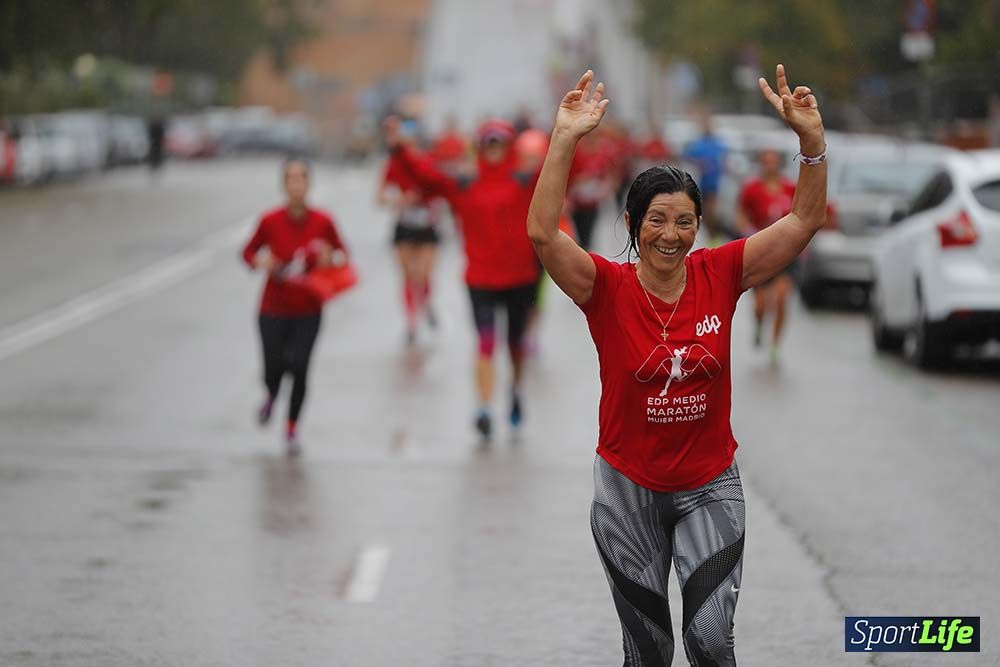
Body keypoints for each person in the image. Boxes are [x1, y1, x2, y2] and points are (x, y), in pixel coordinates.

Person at [526, 66, 826, 666]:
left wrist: (812, 146)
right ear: (634, 225)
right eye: (657, 221)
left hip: (709, 485)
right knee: (650, 652)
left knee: (712, 642)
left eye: (684, 221)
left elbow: (802, 221)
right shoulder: (604, 288)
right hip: (626, 492)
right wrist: (563, 139)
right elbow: (542, 235)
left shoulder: (722, 272)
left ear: (698, 225)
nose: (671, 234)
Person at [383, 116, 540, 441]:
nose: (494, 149)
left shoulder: (526, 180)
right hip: (481, 278)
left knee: (514, 346)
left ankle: (514, 391)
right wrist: (401, 149)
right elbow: (425, 176)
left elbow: (563, 168)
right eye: (489, 143)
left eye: (500, 143)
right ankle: (483, 407)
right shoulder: (464, 184)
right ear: (481, 146)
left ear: (509, 146)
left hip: (520, 278)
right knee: (485, 343)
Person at [241, 158, 349, 457]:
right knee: (273, 366)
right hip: (272, 308)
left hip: (308, 308)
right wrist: (260, 261)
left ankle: (291, 427)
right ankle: (271, 395)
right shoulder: (270, 220)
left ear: (309, 184)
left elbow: (343, 256)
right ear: (284, 186)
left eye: (302, 178)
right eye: (291, 179)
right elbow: (247, 253)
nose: (297, 185)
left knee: (300, 367)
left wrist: (331, 259)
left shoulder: (323, 222)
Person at [378, 120, 442, 344]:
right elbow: (380, 196)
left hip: (427, 226)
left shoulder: (427, 161)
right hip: (404, 225)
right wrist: (398, 200)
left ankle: (426, 304)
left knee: (423, 274)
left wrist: (429, 202)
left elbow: (440, 188)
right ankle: (411, 322)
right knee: (407, 276)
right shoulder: (394, 164)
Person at [736, 148, 797, 364]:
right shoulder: (752, 189)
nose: (770, 166)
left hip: (786, 252)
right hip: (761, 251)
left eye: (774, 162)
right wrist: (747, 231)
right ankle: (760, 325)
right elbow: (741, 214)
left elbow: (802, 214)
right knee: (761, 305)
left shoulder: (790, 188)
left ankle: (775, 345)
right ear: (761, 164)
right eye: (766, 162)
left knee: (781, 298)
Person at [682, 113, 727, 246]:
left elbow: (724, 160)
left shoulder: (717, 143)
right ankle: (710, 235)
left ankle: (714, 235)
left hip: (714, 184)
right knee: (704, 212)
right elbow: (687, 155)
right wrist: (699, 163)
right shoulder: (699, 143)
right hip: (701, 183)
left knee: (712, 212)